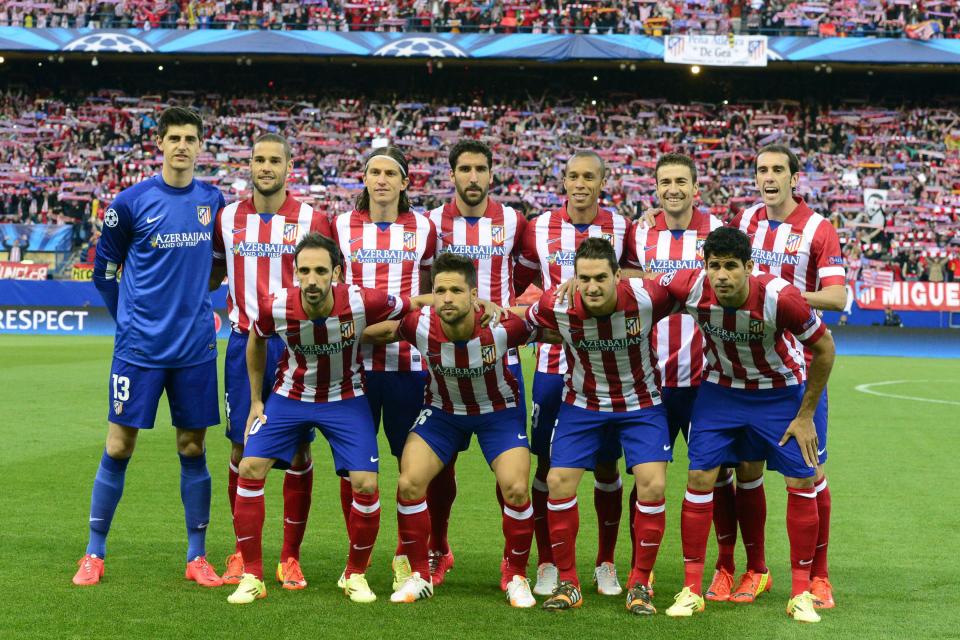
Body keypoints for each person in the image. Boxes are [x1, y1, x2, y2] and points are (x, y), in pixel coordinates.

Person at [75, 106, 226, 586]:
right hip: (139, 349)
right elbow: (104, 269)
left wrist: (200, 301)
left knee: (192, 445)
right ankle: (94, 554)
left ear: (201, 145)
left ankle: (196, 556)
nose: (182, 145)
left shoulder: (214, 201)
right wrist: (126, 317)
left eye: (190, 137)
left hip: (195, 348)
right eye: (174, 137)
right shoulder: (130, 202)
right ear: (158, 143)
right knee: (119, 446)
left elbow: (220, 263)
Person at [228, 232, 420, 605]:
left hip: (345, 398)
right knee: (250, 467)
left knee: (365, 482)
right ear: (295, 273)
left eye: (320, 271)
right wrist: (255, 400)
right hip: (289, 398)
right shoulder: (277, 306)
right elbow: (256, 340)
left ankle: (355, 574)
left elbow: (412, 306)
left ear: (336, 272)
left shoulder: (364, 300)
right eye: (304, 271)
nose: (312, 280)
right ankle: (252, 575)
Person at [659, 227, 835, 624]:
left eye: (731, 267)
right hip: (721, 392)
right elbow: (646, 282)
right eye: (714, 266)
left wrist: (805, 414)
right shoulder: (691, 287)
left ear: (749, 268)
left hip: (779, 393)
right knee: (700, 477)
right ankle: (691, 589)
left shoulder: (780, 298)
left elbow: (825, 349)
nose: (721, 276)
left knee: (801, 482)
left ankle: (801, 593)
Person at [364, 253, 537, 607]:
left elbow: (548, 325)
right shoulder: (420, 324)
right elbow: (378, 330)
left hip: (498, 414)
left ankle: (516, 574)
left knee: (517, 489)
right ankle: (419, 574)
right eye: (440, 290)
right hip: (443, 413)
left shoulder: (501, 326)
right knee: (409, 482)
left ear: (474, 295)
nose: (446, 298)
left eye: (456, 290)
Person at [524, 238, 676, 615]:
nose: (592, 287)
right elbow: (519, 322)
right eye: (584, 278)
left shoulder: (647, 298)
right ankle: (569, 582)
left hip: (642, 404)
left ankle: (640, 583)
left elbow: (689, 293)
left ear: (618, 276)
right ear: (574, 278)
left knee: (653, 484)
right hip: (582, 405)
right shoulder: (556, 304)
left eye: (601, 278)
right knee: (557, 481)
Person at [726, 144, 845, 609]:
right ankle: (757, 570)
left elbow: (836, 297)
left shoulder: (818, 228)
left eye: (778, 170)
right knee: (747, 471)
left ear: (795, 178)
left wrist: (779, 297)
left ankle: (819, 576)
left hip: (799, 369)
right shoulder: (744, 224)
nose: (769, 177)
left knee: (808, 474)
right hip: (748, 366)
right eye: (761, 170)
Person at [210, 133, 330, 590]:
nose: (265, 167)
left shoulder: (311, 218)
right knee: (242, 450)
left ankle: (289, 557)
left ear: (289, 166)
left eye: (274, 160)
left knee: (299, 451)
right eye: (258, 159)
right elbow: (215, 270)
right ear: (250, 165)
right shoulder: (228, 218)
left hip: (297, 347)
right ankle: (242, 553)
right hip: (246, 344)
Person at [516, 150, 632, 597]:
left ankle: (605, 561)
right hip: (552, 366)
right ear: (562, 180)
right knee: (547, 463)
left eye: (589, 176)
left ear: (603, 181)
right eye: (572, 176)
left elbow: (635, 275)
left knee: (607, 462)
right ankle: (547, 561)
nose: (579, 183)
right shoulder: (538, 227)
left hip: (605, 367)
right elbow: (520, 283)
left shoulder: (622, 227)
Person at [330, 145, 439, 589]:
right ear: (364, 179)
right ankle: (357, 556)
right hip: (352, 365)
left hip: (408, 365)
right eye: (373, 171)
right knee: (353, 466)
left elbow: (430, 285)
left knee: (409, 467)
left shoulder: (424, 228)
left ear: (404, 182)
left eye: (389, 173)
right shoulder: (340, 225)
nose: (380, 180)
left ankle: (404, 554)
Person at [425, 139, 528, 584]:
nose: (472, 177)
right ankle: (436, 548)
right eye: (464, 168)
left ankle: (513, 560)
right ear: (452, 175)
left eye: (480, 169)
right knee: (438, 462)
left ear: (491, 174)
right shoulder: (431, 223)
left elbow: (530, 281)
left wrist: (509, 310)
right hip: (442, 355)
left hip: (500, 356)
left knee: (509, 466)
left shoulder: (514, 222)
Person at [621, 153, 724, 584]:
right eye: (665, 182)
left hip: (707, 378)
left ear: (696, 188)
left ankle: (725, 566)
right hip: (651, 381)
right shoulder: (640, 231)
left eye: (681, 181)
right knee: (648, 478)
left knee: (716, 477)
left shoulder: (718, 231)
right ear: (657, 188)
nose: (673, 189)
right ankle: (637, 569)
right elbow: (622, 276)